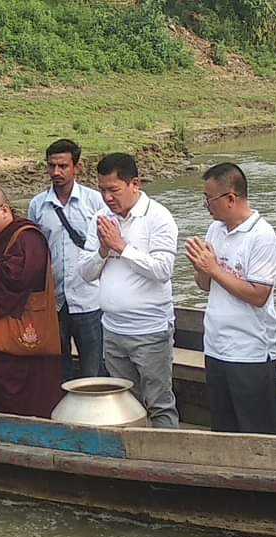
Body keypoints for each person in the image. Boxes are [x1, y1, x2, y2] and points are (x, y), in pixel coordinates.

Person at [80, 153, 179, 428]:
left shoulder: (158, 217)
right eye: (102, 190)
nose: (108, 198)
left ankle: (166, 461)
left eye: (113, 190)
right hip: (112, 328)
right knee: (124, 402)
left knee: (159, 401)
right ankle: (132, 461)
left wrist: (121, 247)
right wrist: (102, 249)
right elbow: (85, 274)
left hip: (149, 329)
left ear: (135, 183)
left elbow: (163, 270)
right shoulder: (100, 218)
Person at [185, 163, 276, 434]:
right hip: (216, 346)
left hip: (249, 350)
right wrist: (201, 267)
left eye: (209, 199)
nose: (206, 205)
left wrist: (214, 268)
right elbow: (205, 285)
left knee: (256, 431)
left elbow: (259, 295)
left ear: (231, 198)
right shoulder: (215, 230)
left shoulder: (262, 236)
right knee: (223, 428)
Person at [0, 188, 62, 417]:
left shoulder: (27, 237)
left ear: (5, 210)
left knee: (22, 402)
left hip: (17, 339)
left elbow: (19, 279)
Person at [28, 138, 107, 380]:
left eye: (63, 166)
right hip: (55, 302)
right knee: (57, 369)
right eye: (52, 166)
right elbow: (34, 250)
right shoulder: (38, 205)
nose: (56, 172)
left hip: (90, 299)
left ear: (77, 167)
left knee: (94, 368)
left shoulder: (95, 202)